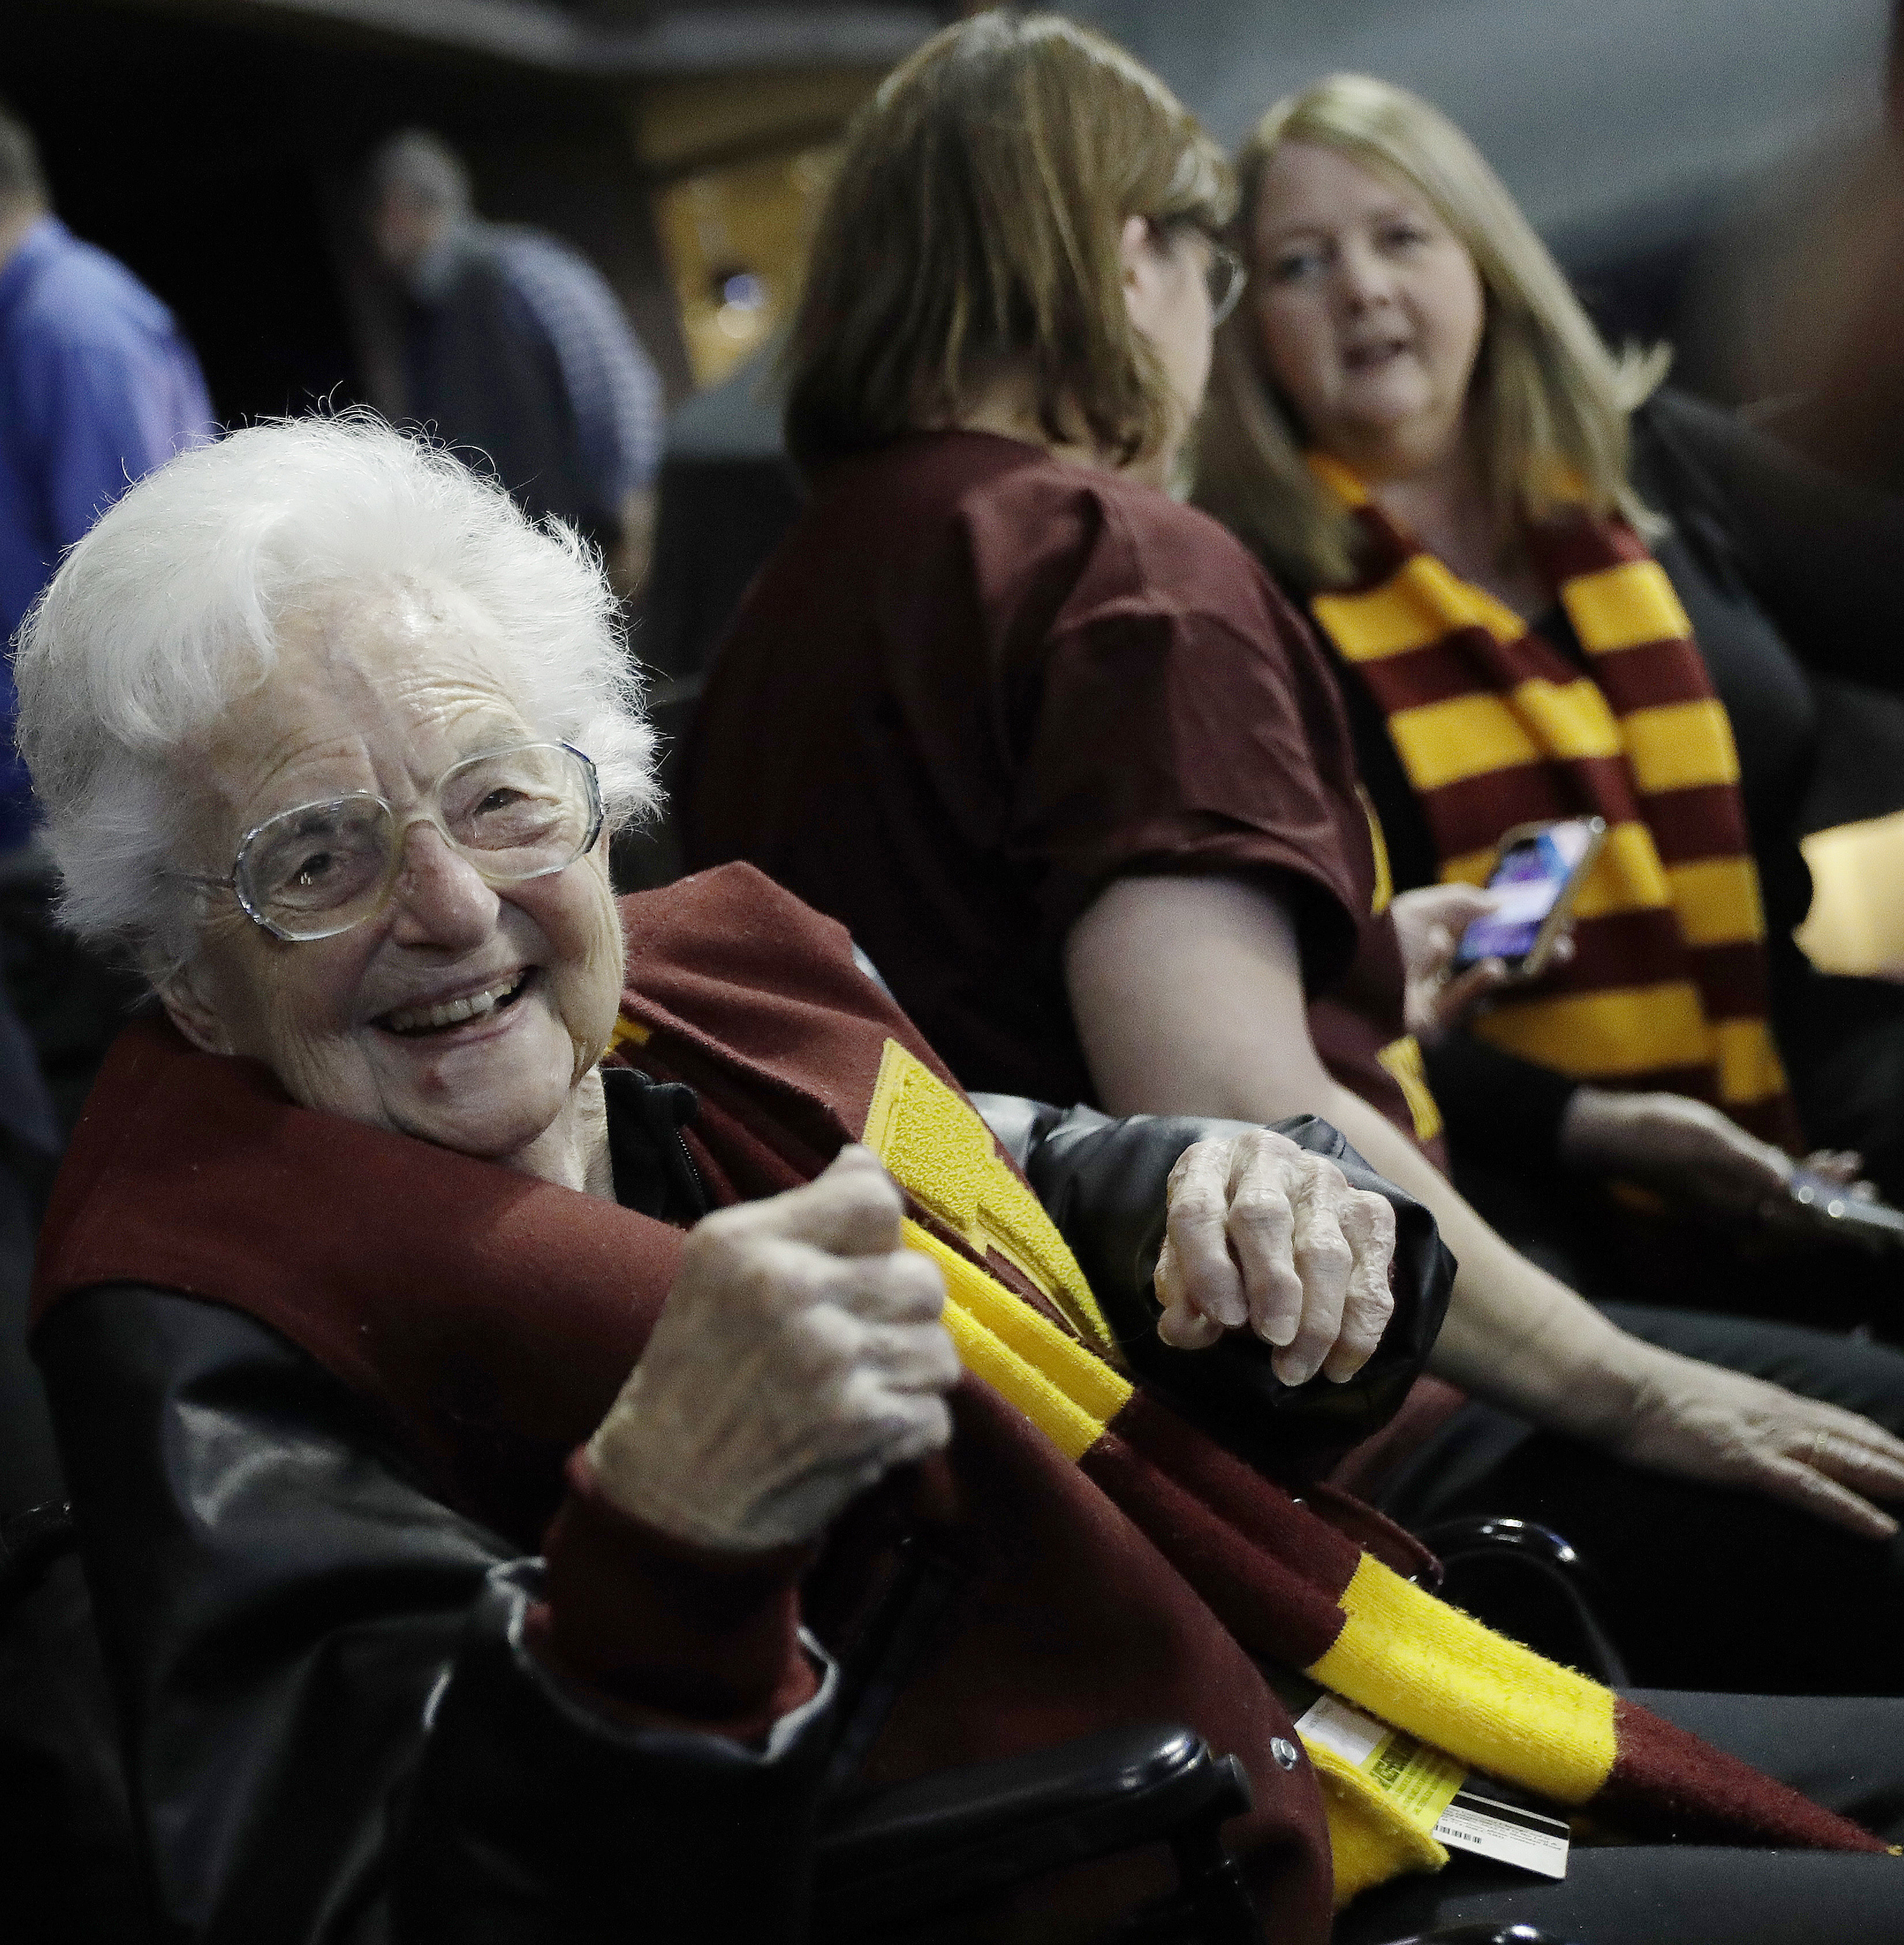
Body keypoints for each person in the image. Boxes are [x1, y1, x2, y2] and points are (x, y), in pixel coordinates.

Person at [18, 412, 1904, 1943]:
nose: (447, 904)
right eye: (318, 858)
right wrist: (664, 1546)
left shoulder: (710, 1000)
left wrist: (1242, 1216)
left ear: (602, 803)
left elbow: (1035, 1179)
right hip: (1153, 1874)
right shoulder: (208, 1310)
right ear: (187, 967)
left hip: (1303, 1733)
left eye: (501, 795)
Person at [682, 6, 1904, 1712]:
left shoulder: (793, 600)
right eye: (1236, 269)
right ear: (1134, 260)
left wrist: (1359, 966)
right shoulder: (1124, 560)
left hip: (1005, 1489)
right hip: (1309, 1472)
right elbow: (1250, 1121)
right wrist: (1641, 1390)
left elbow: (986, 995)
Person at [1193, 74, 1904, 1304]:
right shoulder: (1248, 604)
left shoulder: (1653, 464)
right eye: (1300, 265)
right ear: (1249, 330)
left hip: (1809, 1083)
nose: (1361, 287)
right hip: (1512, 1181)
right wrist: (1587, 1126)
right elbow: (1293, 1010)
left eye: (1400, 237)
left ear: (1485, 265)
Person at [367, 129, 664, 601]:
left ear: (396, 209)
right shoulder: (429, 311)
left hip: (592, 555)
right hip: (525, 572)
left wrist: (623, 518)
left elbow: (613, 390)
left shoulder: (519, 271)